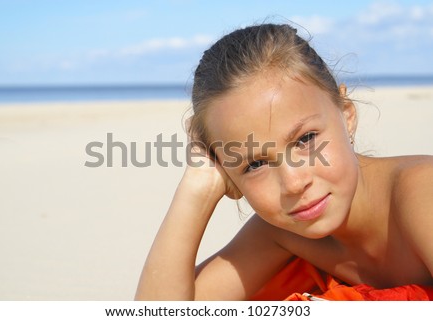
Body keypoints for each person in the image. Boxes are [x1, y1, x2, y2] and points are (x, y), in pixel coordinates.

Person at [135, 23, 433, 300]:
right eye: (254, 165)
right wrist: (196, 190)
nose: (293, 183)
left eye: (306, 140)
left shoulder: (421, 193)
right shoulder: (281, 233)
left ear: (346, 114)